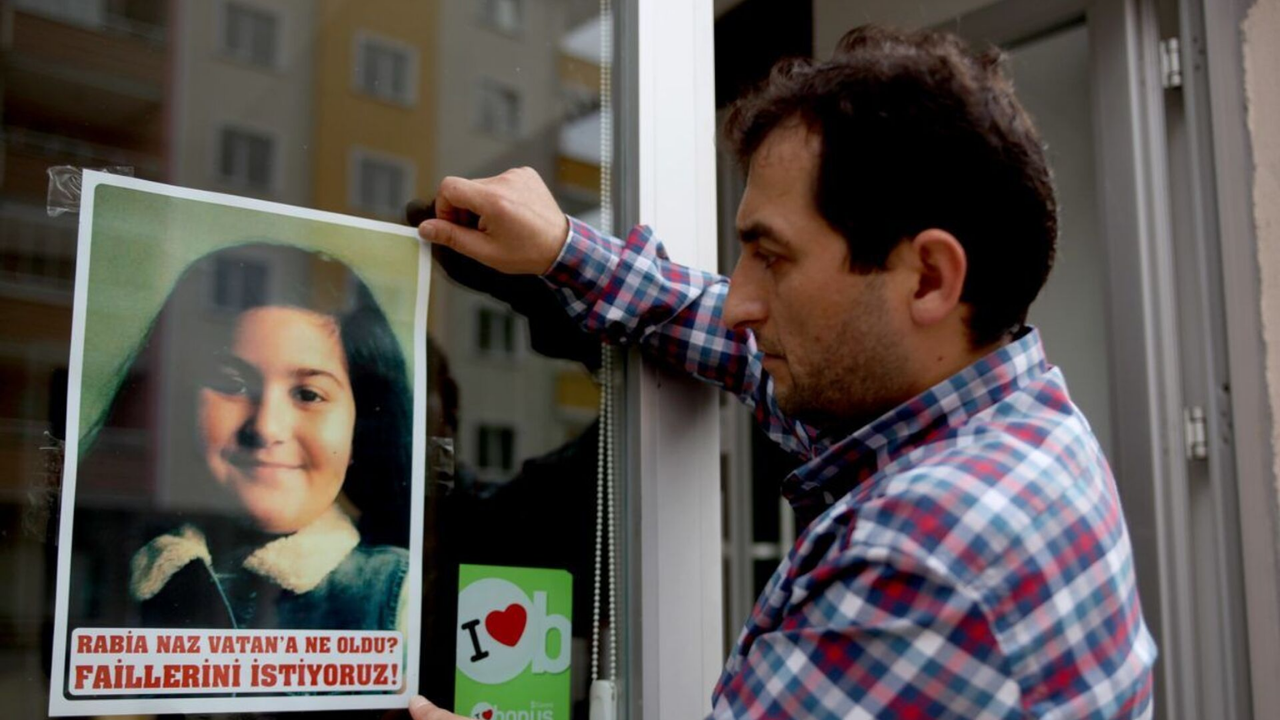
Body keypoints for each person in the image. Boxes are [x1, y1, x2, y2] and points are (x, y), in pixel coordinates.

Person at [408, 24, 1157, 720]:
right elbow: (730, 341)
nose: (739, 303)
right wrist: (563, 249)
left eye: (772, 258)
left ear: (928, 278)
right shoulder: (1020, 423)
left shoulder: (924, 550)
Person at [70, 242, 413, 633]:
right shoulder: (95, 571)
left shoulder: (401, 600)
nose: (266, 427)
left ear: (361, 426)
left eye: (308, 395)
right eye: (232, 384)